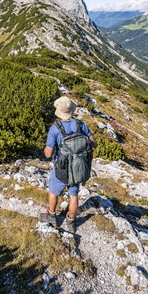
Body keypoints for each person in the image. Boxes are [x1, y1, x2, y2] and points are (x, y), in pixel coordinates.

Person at [44, 95, 97, 233]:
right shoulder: (81, 125)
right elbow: (93, 143)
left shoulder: (55, 128)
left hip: (61, 168)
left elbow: (48, 154)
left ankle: (51, 216)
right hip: (78, 167)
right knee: (73, 196)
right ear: (71, 111)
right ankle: (71, 221)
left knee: (54, 193)